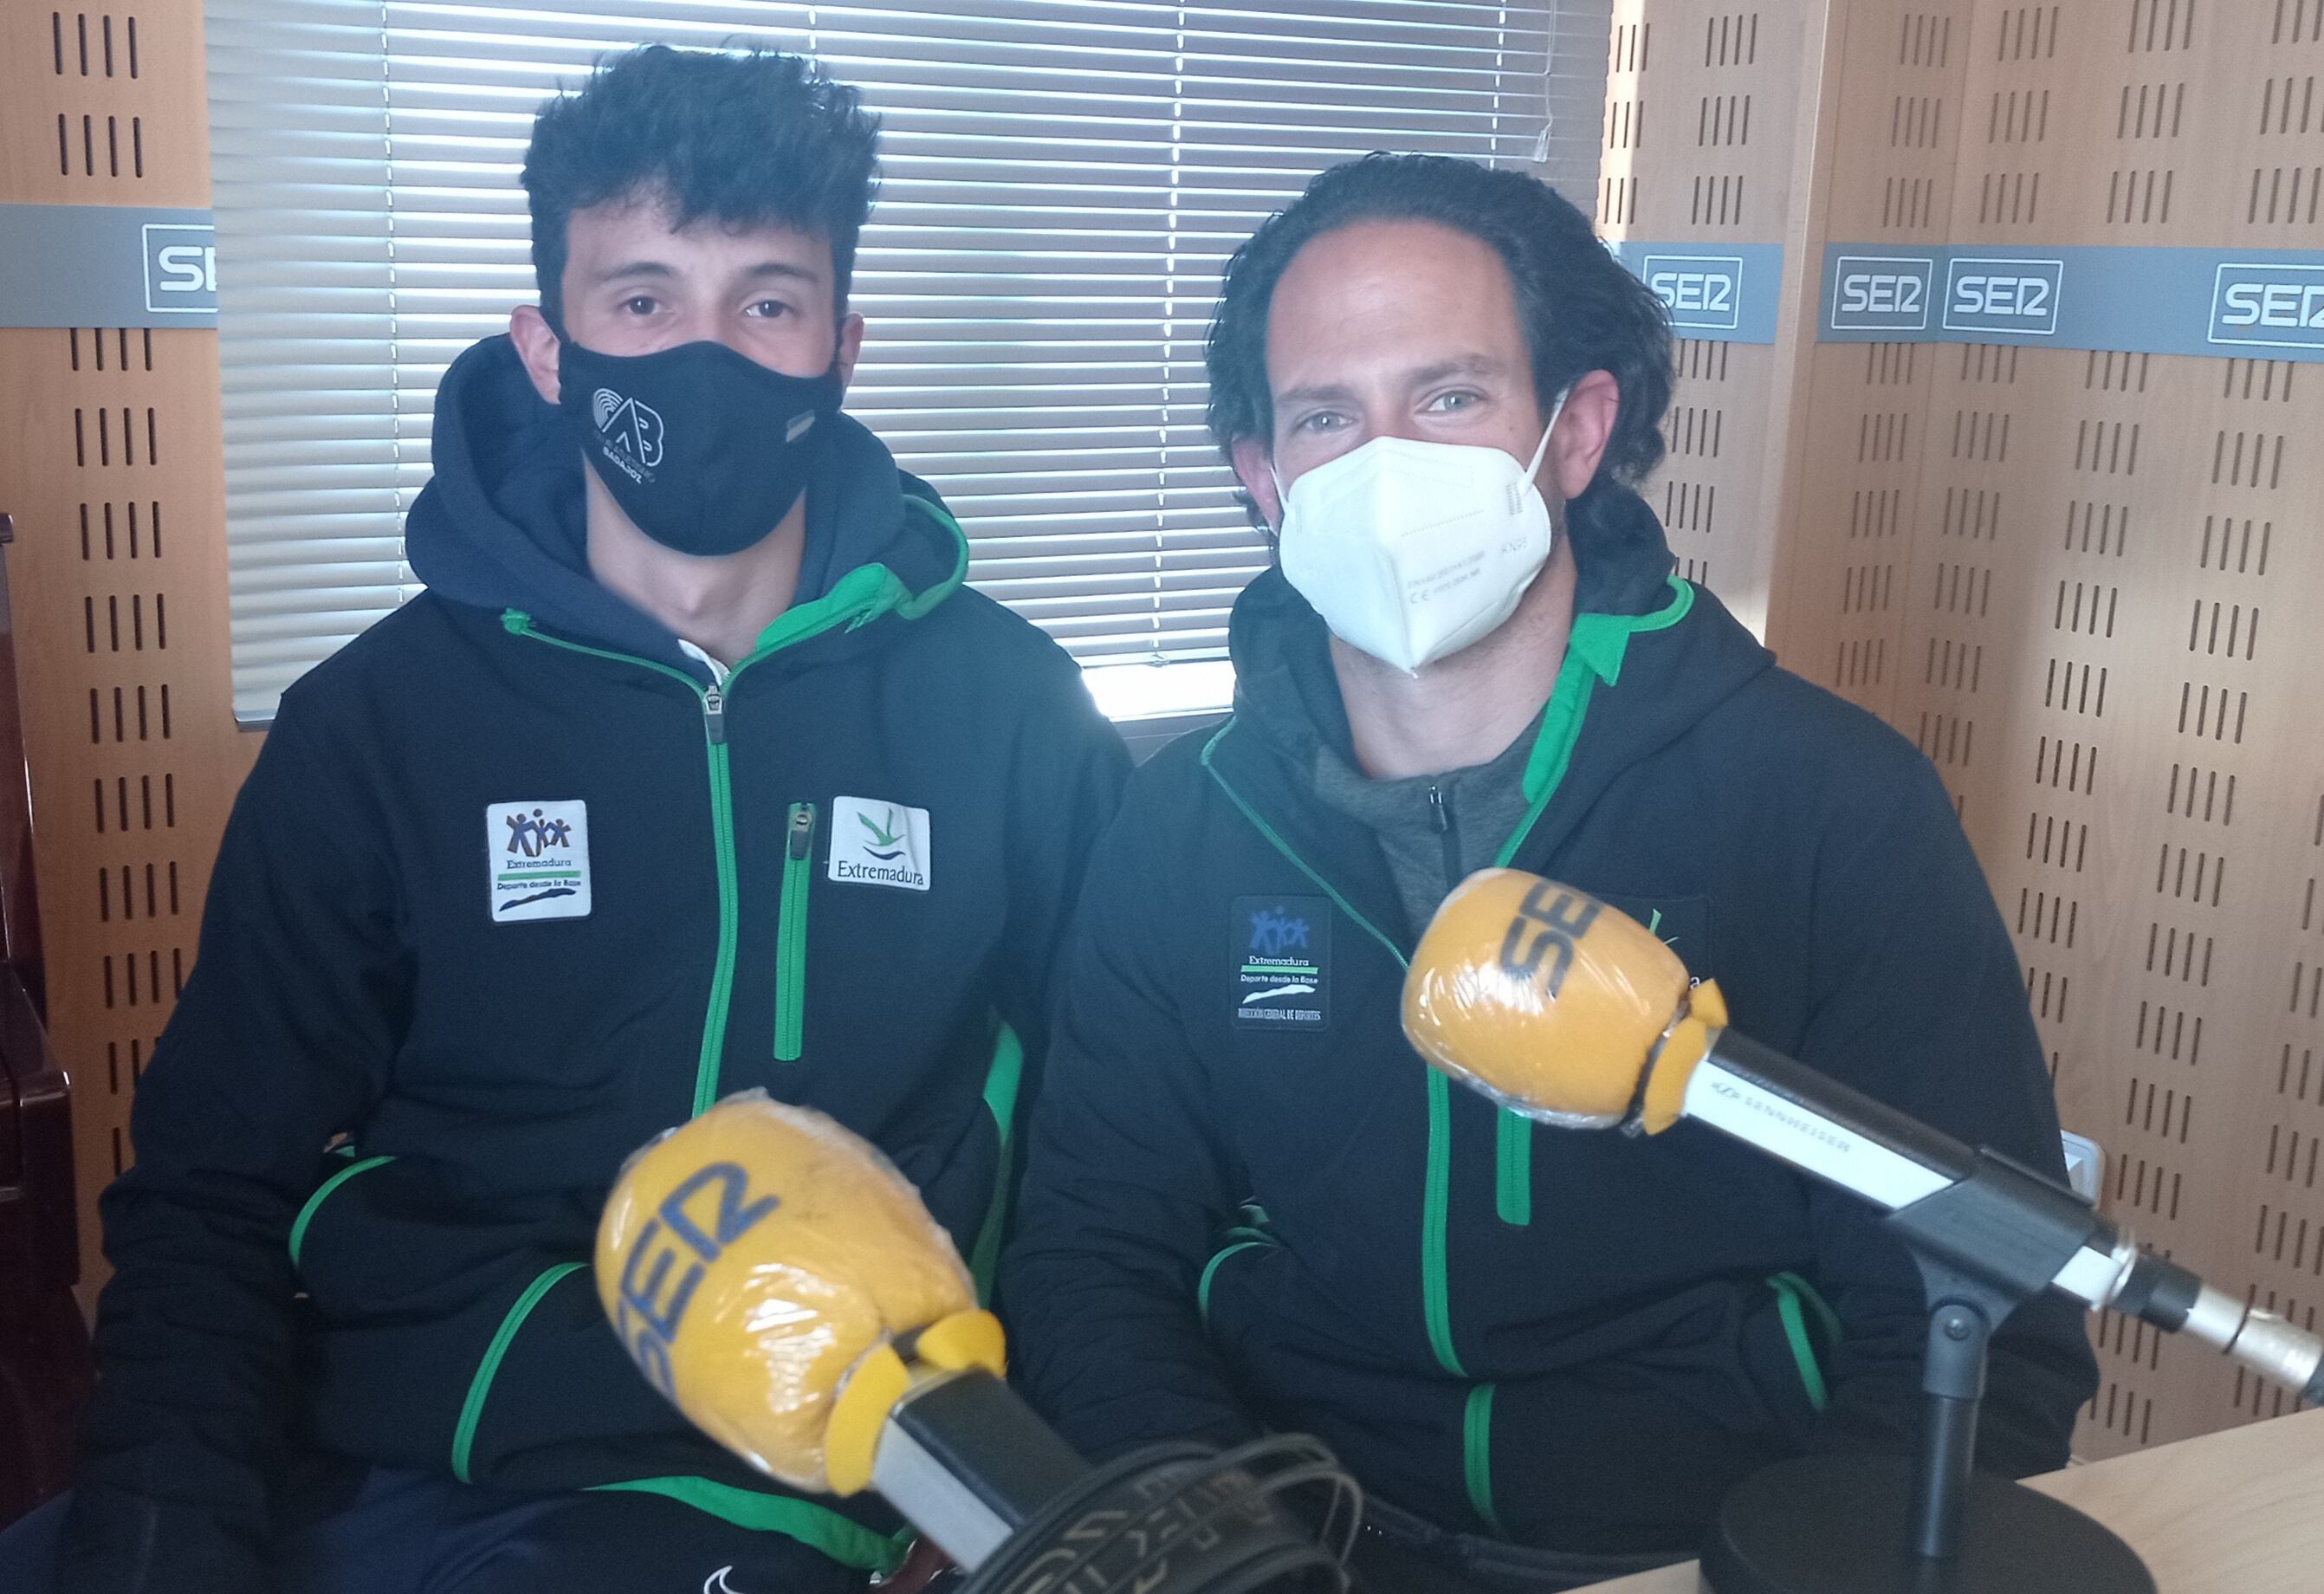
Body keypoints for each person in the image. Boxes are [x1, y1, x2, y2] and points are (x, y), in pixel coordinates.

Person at [18, 44, 1127, 1594]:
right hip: (429, 1445)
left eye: (767, 303)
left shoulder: (1008, 707)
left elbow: (1119, 1147)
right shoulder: (375, 731)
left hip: (838, 1467)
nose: (705, 353)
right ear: (550, 351)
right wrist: (159, 1542)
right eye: (643, 301)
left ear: (842, 348)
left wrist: (1043, 1477)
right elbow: (215, 1186)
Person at [1000, 154, 2097, 1591]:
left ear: (1576, 432)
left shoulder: (1826, 803)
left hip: (1712, 1552)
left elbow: (1983, 1319)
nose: (1387, 463)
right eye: (1327, 416)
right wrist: (1236, 1562)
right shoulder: (1182, 830)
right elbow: (1096, 1259)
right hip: (1305, 1549)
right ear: (1260, 477)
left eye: (1449, 399)